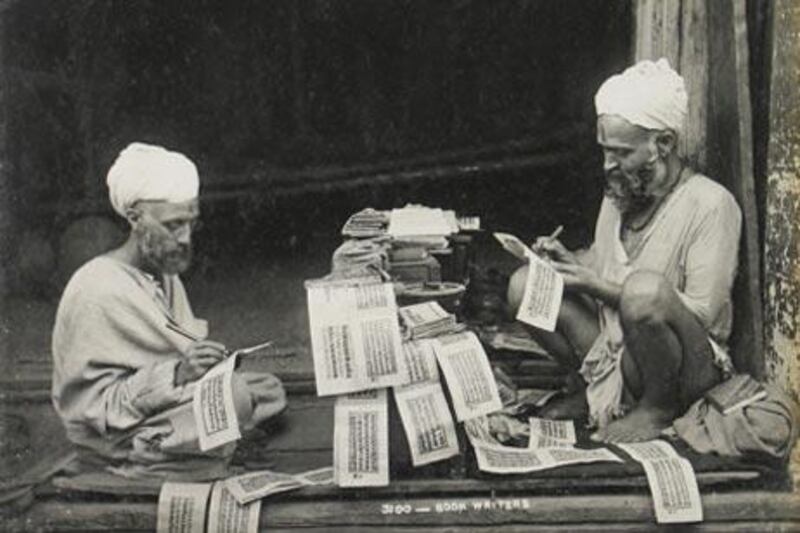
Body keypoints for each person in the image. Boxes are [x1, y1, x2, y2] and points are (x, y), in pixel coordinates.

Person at [508, 59, 741, 443]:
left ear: (663, 144)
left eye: (621, 152)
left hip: (685, 368)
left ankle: (656, 410)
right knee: (525, 285)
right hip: (617, 349)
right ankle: (596, 393)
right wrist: (568, 262)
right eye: (604, 150)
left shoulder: (711, 204)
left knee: (645, 292)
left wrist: (598, 287)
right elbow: (606, 264)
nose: (607, 165)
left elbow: (702, 312)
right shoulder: (622, 192)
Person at [52, 142, 287, 479]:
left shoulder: (164, 273)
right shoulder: (96, 288)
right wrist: (176, 375)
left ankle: (199, 445)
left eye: (191, 223)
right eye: (174, 225)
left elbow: (175, 351)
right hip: (113, 435)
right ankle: (154, 459)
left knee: (265, 387)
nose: (185, 238)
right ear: (135, 218)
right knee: (236, 397)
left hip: (159, 406)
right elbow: (91, 410)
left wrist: (205, 367)